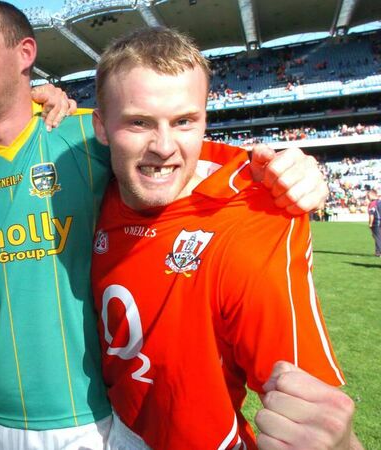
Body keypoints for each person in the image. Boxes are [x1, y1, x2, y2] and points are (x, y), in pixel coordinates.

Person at [0, 1, 335, 449]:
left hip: (84, 417)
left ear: (26, 52)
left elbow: (174, 149)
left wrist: (290, 171)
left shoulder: (82, 137)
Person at [90, 27, 360, 449]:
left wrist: (343, 444)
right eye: (139, 122)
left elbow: (315, 414)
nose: (164, 146)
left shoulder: (255, 220)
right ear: (101, 128)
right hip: (111, 427)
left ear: (204, 121)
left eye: (184, 121)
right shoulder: (88, 188)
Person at [368, 189, 380, 256]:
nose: (368, 197)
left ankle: (379, 251)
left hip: (376, 222)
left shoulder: (372, 203)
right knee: (379, 237)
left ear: (372, 195)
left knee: (377, 237)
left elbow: (371, 215)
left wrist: (370, 224)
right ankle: (377, 252)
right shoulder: (379, 202)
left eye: (368, 196)